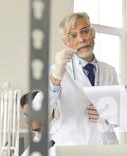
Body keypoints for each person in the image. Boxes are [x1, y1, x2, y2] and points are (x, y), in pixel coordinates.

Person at [49, 12, 119, 145]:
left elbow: (119, 116)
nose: (81, 39)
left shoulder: (109, 71)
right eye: (73, 35)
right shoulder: (57, 71)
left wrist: (109, 114)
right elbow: (40, 112)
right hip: (74, 148)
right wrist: (56, 78)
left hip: (106, 148)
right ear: (66, 42)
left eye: (85, 32)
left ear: (93, 33)